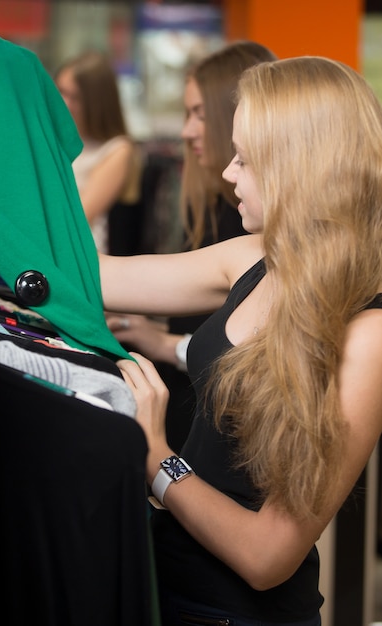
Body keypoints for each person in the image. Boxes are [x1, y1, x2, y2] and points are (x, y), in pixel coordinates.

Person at [99, 57, 382, 625]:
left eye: (246, 160)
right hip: (166, 585)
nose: (228, 174)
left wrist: (159, 460)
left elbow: (267, 556)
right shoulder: (254, 259)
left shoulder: (368, 332)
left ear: (299, 167)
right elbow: (90, 274)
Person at [108, 41, 277, 451]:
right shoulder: (225, 219)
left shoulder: (250, 237)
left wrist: (165, 344)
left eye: (199, 113)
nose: (186, 131)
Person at [55, 50, 143, 255]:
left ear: (96, 102)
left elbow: (82, 216)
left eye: (74, 96)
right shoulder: (58, 138)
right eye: (60, 91)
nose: (64, 102)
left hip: (83, 257)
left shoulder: (118, 149)